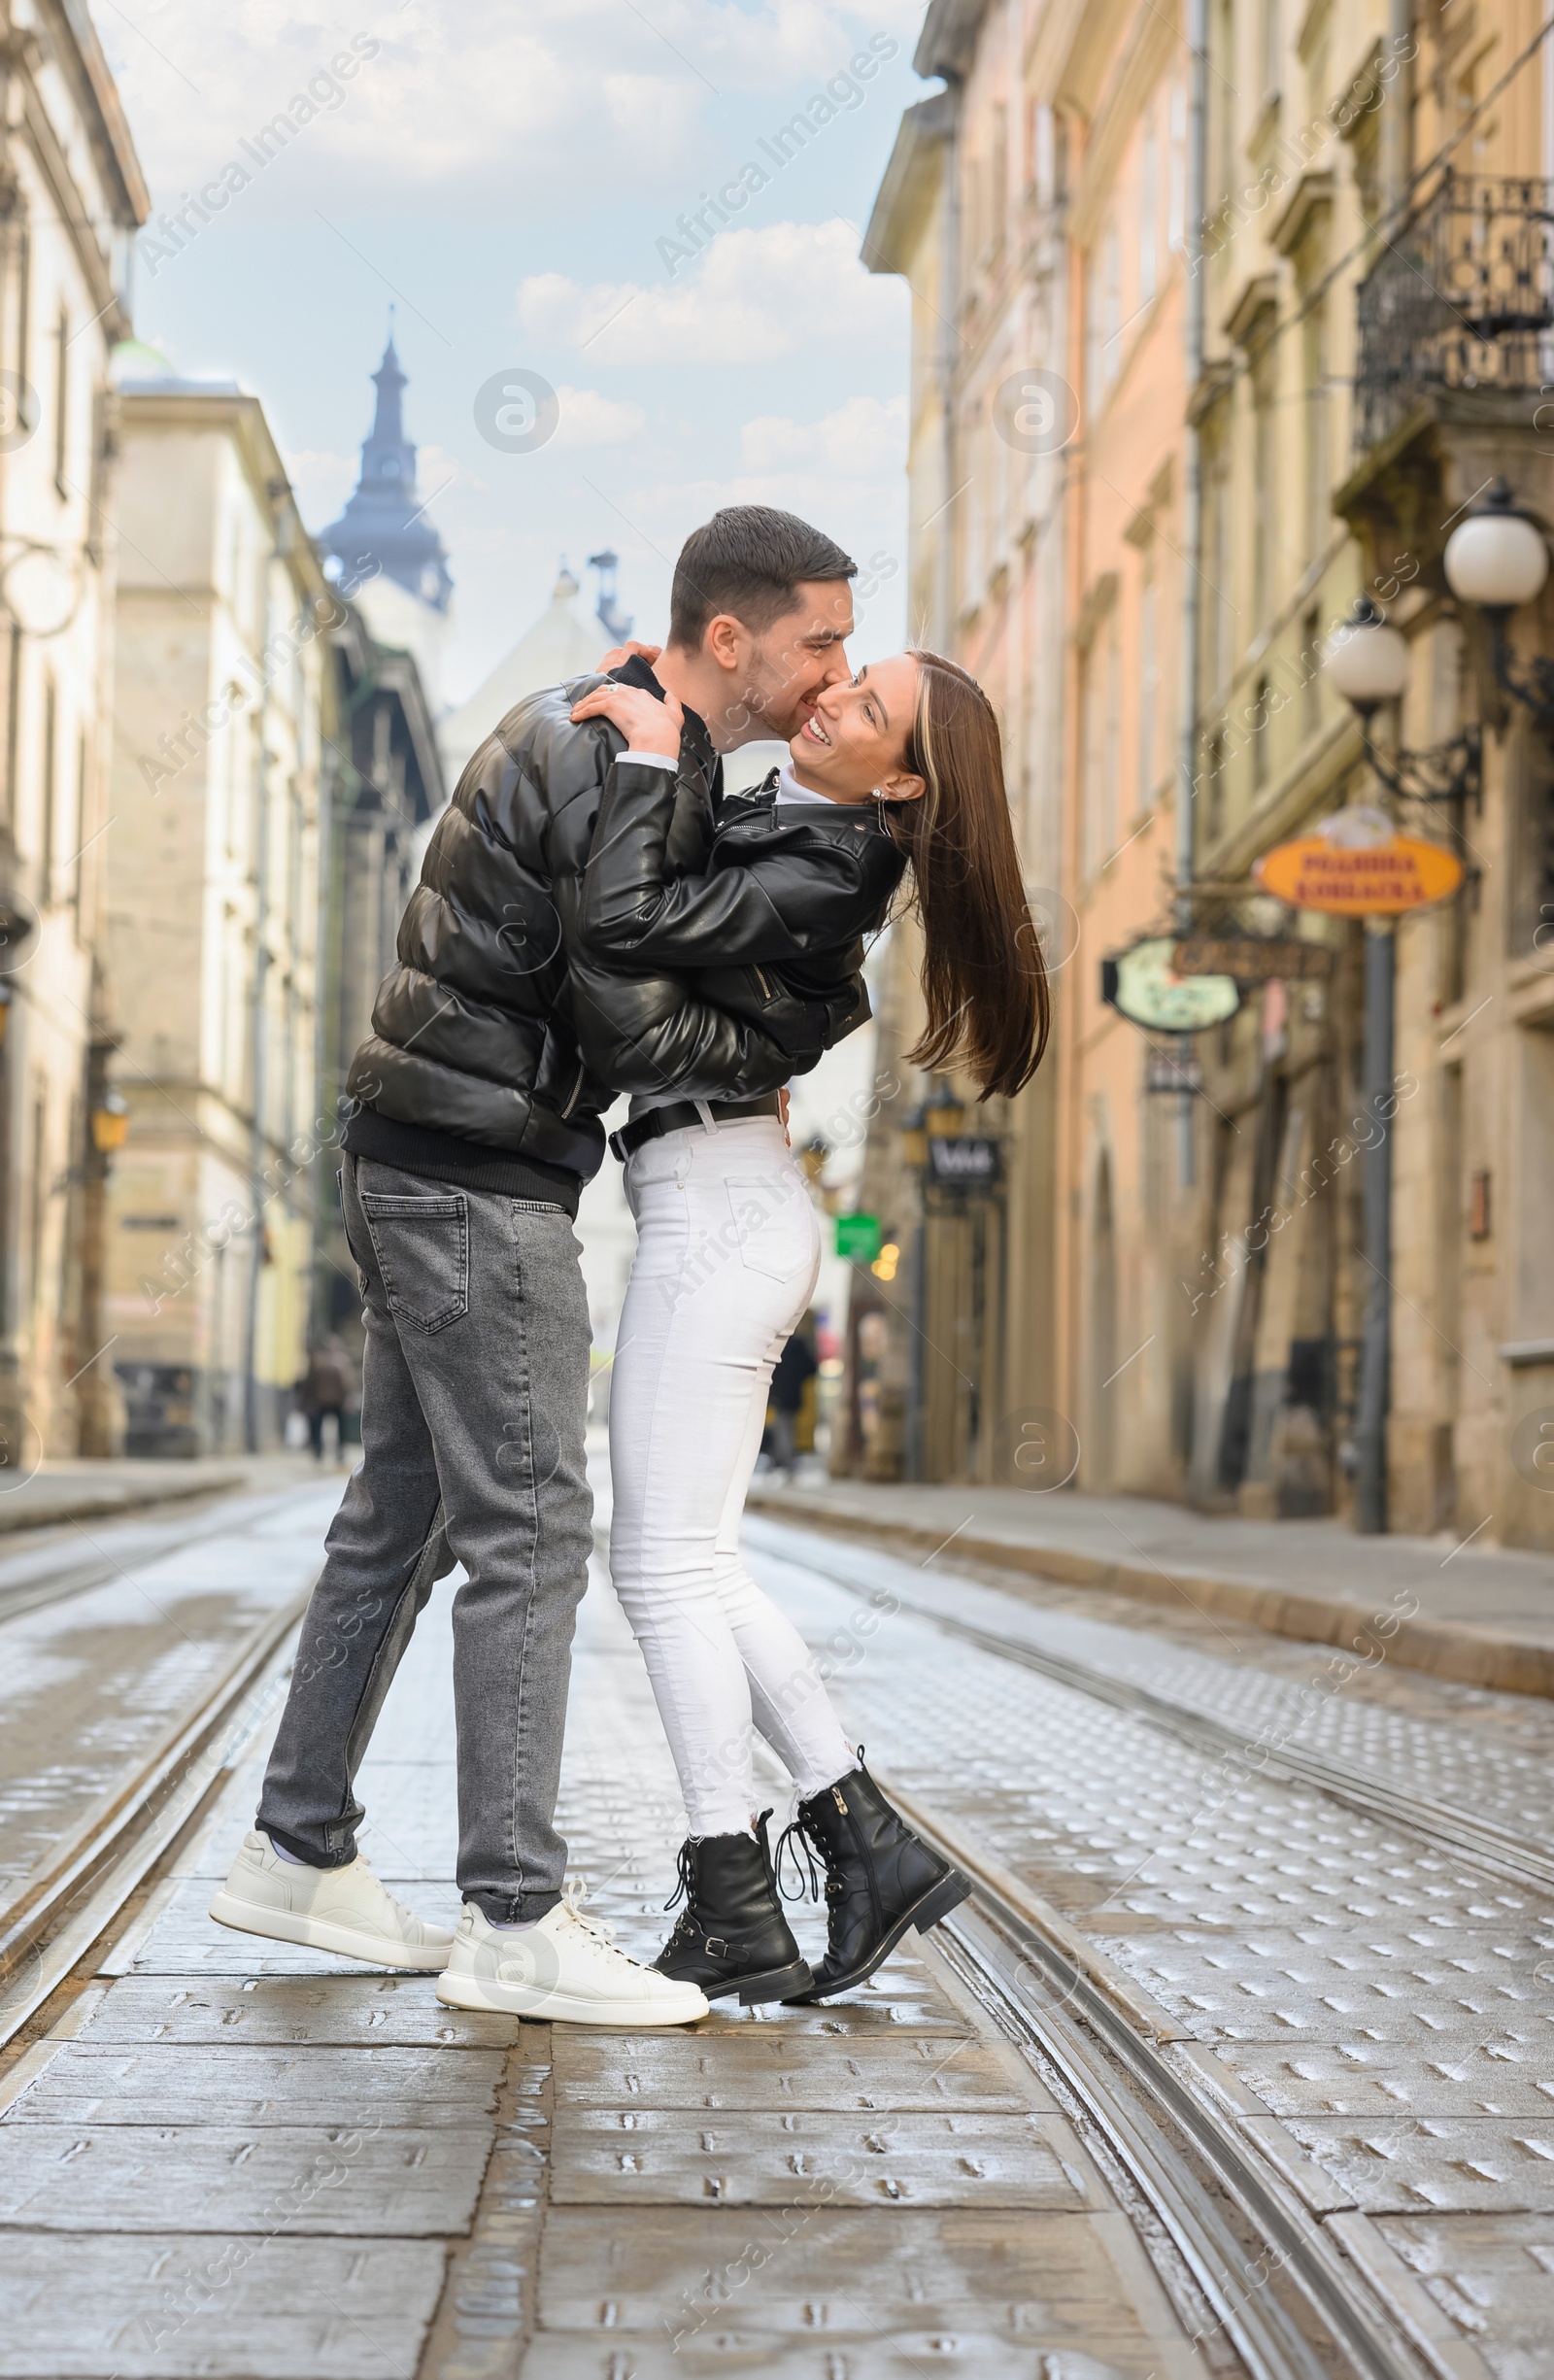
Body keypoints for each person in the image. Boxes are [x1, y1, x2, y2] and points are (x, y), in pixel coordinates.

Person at [209, 507, 868, 2027]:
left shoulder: (632, 737)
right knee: (535, 1526)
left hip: (418, 1149)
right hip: (477, 1177)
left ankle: (298, 1845)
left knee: (404, 1514)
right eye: (819, 639)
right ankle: (515, 1910)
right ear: (730, 638)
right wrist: (772, 1046)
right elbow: (629, 1010)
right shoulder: (619, 746)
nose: (834, 669)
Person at [568, 644, 1049, 2006]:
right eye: (845, 676)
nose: (830, 695)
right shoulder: (809, 824)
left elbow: (641, 923)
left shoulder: (839, 863)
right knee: (694, 1560)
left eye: (868, 703)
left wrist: (662, 761)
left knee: (659, 1565)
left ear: (901, 777)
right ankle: (860, 1842)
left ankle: (734, 1888)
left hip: (720, 1203)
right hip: (707, 1192)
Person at [767, 1323, 818, 1479]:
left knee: (782, 1428)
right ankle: (783, 1461)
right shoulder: (798, 1345)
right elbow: (811, 1367)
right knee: (787, 1427)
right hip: (793, 1394)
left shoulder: (776, 1345)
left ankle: (784, 1462)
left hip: (780, 1394)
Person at [298, 1338, 355, 1462]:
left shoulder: (322, 1361)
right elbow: (310, 1383)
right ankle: (325, 1450)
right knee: (327, 1427)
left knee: (335, 1428)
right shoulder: (340, 1361)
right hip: (329, 1400)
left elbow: (310, 1383)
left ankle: (329, 1451)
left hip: (328, 1400)